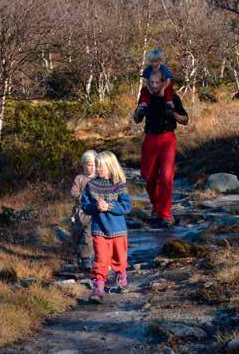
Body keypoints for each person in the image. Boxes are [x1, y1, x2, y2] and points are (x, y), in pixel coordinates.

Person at [133, 70, 189, 228]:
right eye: (151, 82)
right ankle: (157, 206)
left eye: (157, 82)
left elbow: (185, 119)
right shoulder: (146, 97)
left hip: (167, 139)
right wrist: (138, 112)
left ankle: (165, 214)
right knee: (147, 176)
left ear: (164, 82)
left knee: (165, 177)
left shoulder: (172, 98)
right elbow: (137, 120)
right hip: (150, 139)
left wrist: (173, 114)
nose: (154, 85)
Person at [81, 151, 131, 304]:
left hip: (118, 231)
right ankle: (98, 286)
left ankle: (121, 276)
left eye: (100, 166)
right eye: (96, 166)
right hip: (99, 230)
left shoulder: (119, 185)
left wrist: (109, 206)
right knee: (101, 259)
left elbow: (126, 206)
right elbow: (85, 206)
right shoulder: (91, 185)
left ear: (110, 166)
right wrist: (96, 206)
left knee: (119, 257)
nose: (97, 169)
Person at [70, 150, 98, 270]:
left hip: (93, 212)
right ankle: (79, 255)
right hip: (79, 211)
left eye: (93, 165)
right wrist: (85, 197)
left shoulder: (99, 178)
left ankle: (87, 258)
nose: (91, 168)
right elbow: (73, 193)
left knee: (88, 235)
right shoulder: (80, 178)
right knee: (77, 234)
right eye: (88, 165)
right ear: (83, 165)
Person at [138, 49, 174, 113]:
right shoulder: (148, 69)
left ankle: (169, 102)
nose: (154, 64)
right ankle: (144, 103)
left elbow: (168, 81)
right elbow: (147, 81)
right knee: (144, 90)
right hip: (152, 86)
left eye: (156, 61)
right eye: (152, 61)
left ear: (160, 60)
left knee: (169, 88)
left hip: (163, 85)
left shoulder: (164, 68)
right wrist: (149, 90)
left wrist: (163, 89)